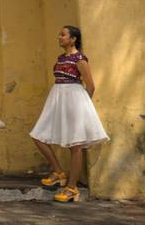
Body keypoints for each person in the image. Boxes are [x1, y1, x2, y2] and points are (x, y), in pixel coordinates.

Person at [29, 25, 109, 203]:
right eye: (60, 34)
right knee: (37, 135)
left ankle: (72, 188)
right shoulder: (60, 58)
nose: (59, 37)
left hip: (74, 101)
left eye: (63, 35)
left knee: (76, 145)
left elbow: (91, 86)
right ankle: (58, 172)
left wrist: (81, 107)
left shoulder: (80, 59)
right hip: (57, 100)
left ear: (73, 39)